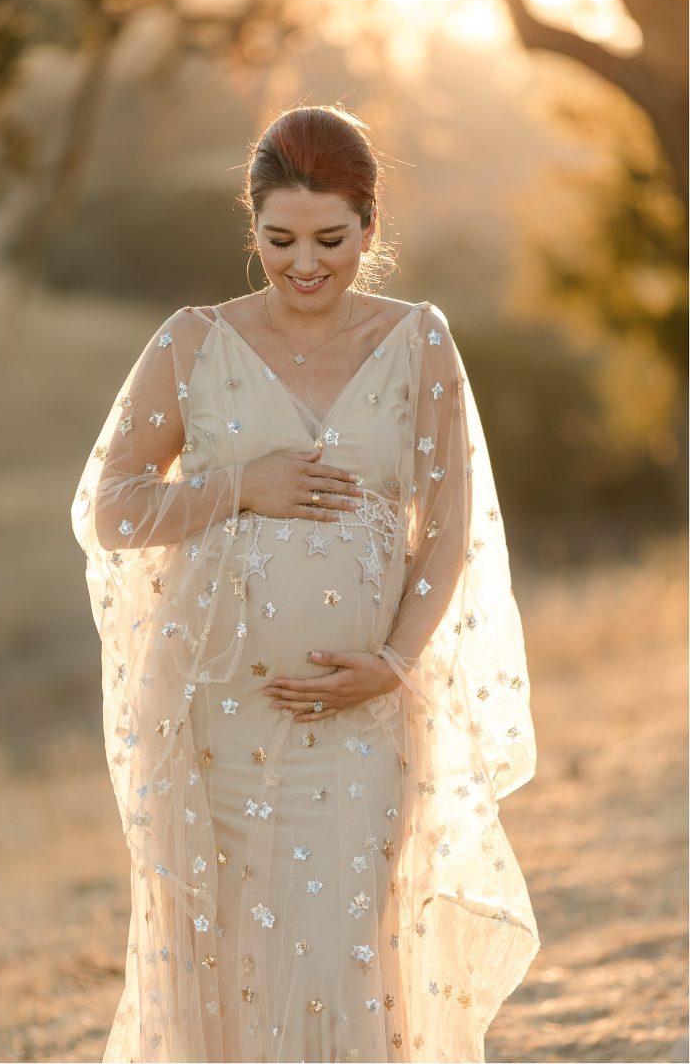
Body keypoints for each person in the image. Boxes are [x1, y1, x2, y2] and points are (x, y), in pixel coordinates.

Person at [71, 104, 540, 1064]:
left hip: (362, 717)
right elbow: (111, 509)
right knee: (222, 961)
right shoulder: (193, 342)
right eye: (279, 238)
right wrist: (239, 486)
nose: (305, 263)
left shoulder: (420, 343)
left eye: (330, 238)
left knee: (342, 953)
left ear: (369, 225)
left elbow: (449, 530)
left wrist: (394, 662)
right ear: (252, 227)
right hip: (214, 724)